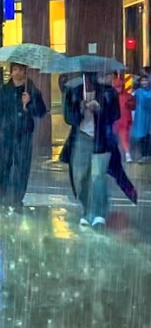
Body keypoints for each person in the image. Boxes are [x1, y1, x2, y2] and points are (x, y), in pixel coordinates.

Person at [61, 72, 123, 228]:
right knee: (81, 177)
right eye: (85, 78)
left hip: (102, 139)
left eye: (91, 78)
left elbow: (116, 114)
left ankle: (99, 213)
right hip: (81, 138)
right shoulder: (73, 91)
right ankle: (87, 210)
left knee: (98, 176)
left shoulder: (108, 92)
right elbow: (68, 117)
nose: (88, 81)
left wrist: (100, 109)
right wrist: (80, 109)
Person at [0, 62, 48, 211]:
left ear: (25, 71)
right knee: (2, 167)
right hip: (5, 135)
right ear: (11, 72)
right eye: (15, 70)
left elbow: (41, 112)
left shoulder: (32, 91)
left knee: (22, 168)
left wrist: (29, 103)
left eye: (20, 69)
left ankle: (16, 199)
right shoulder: (3, 91)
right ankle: (1, 199)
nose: (17, 73)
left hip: (23, 135)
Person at [114, 72, 134, 164]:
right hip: (115, 121)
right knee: (114, 139)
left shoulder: (127, 96)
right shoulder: (111, 96)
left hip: (124, 121)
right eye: (117, 87)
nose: (119, 88)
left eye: (120, 86)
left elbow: (133, 106)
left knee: (124, 138)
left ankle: (127, 154)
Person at [133, 75, 151, 162]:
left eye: (146, 80)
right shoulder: (138, 92)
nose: (144, 82)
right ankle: (144, 155)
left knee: (148, 135)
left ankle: (147, 154)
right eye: (142, 81)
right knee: (142, 136)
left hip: (148, 116)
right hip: (141, 116)